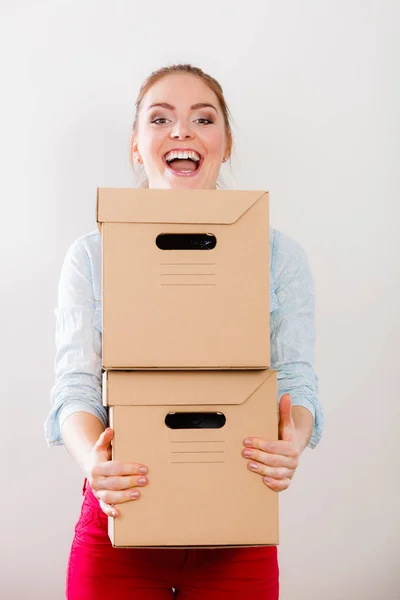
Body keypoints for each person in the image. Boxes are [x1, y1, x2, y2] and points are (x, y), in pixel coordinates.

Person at [45, 64, 324, 600]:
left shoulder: (278, 256)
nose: (182, 132)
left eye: (203, 117)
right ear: (136, 145)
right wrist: (93, 465)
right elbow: (75, 387)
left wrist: (294, 437)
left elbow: (296, 380)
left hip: (238, 527)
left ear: (226, 142)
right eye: (161, 118)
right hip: (118, 522)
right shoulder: (91, 257)